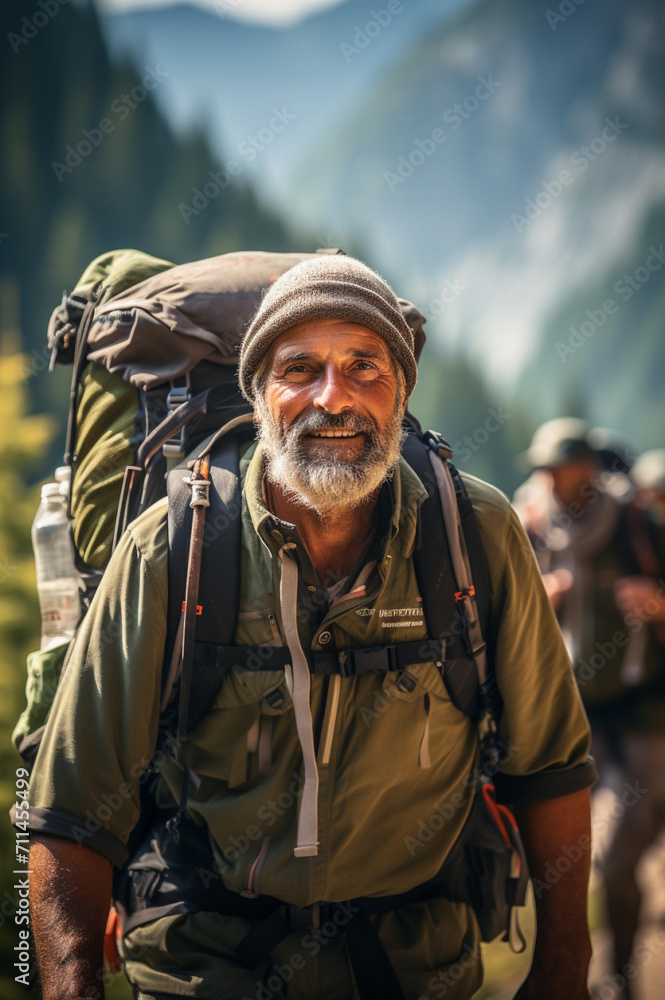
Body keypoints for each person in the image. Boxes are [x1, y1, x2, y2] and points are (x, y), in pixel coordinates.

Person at [27, 257, 596, 1000]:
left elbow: (549, 766)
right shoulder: (175, 548)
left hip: (415, 967)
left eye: (365, 366)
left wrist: (561, 970)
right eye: (300, 368)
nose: (335, 397)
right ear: (259, 394)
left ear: (400, 394)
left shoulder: (474, 534)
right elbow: (70, 809)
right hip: (205, 966)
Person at [514, 419, 665, 999]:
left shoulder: (638, 521)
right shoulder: (527, 526)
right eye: (548, 470)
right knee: (590, 861)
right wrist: (535, 595)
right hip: (575, 715)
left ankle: (619, 976)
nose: (555, 482)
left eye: (567, 470)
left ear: (593, 471)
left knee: (617, 861)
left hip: (646, 711)